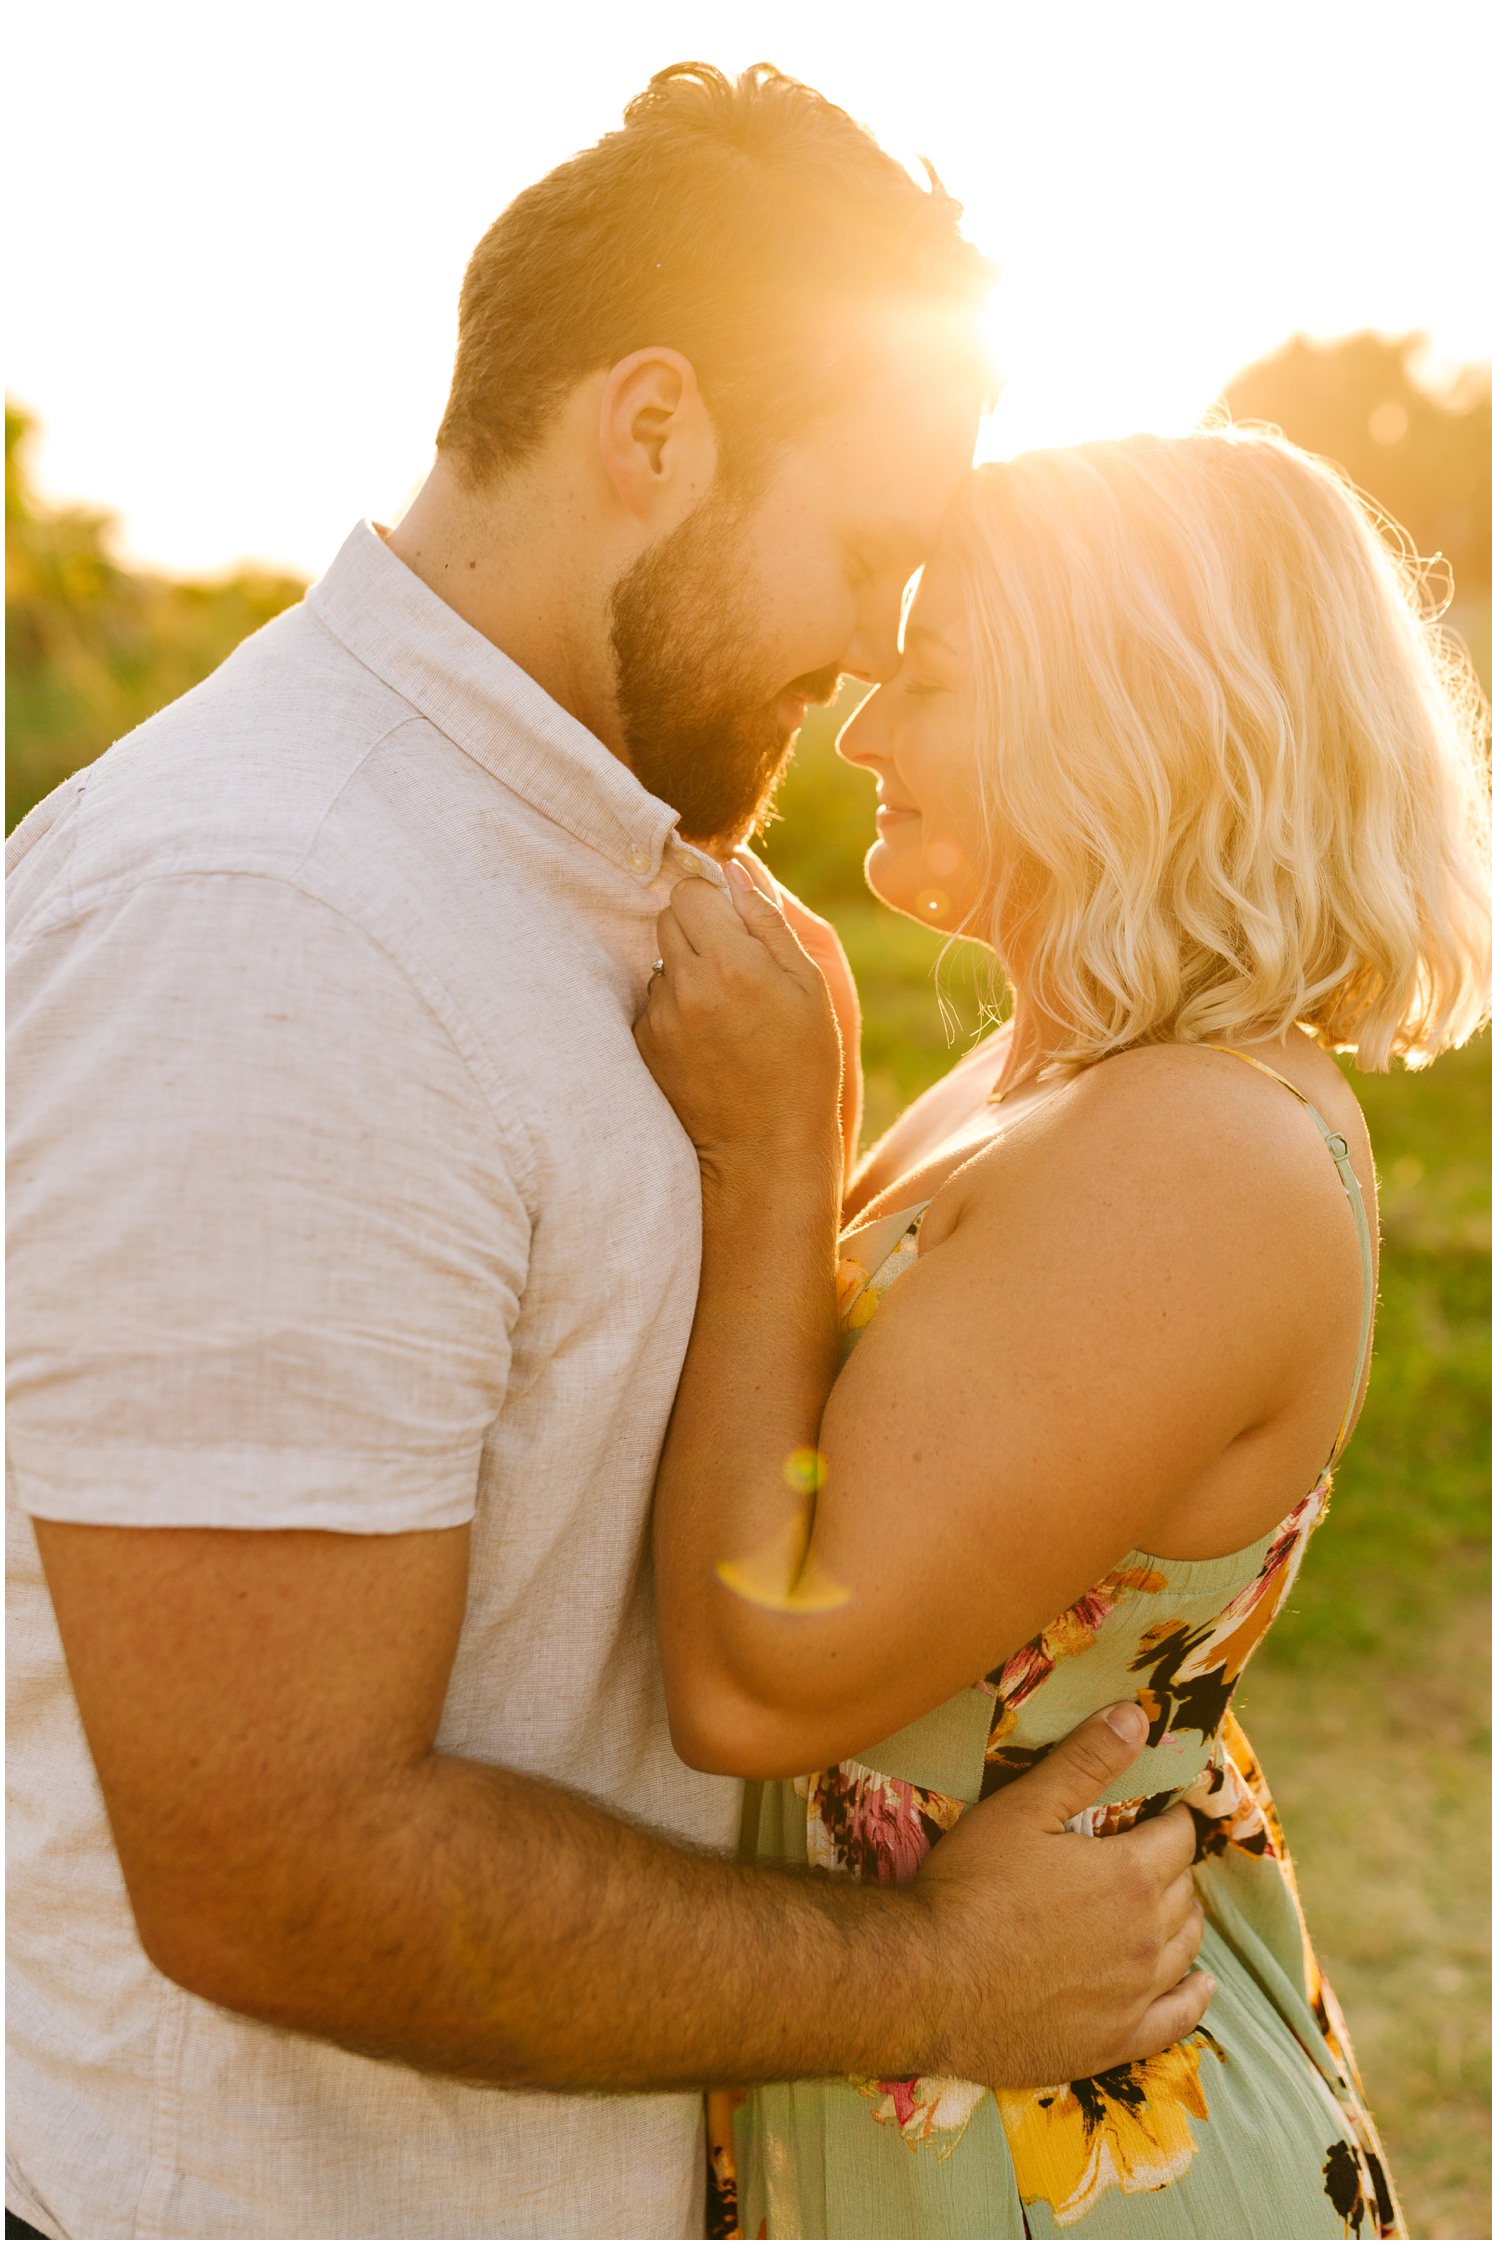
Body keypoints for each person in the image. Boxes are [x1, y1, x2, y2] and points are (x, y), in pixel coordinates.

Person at [5, 65, 1212, 2245]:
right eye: (866, 556)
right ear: (647, 431)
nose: (872, 652)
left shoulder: (595, 879)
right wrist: (941, 1979)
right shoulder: (271, 928)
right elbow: (280, 1871)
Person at [634, 428, 1492, 2239]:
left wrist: (783, 1151)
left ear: (1134, 715)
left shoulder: (1194, 1149)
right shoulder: (1060, 1068)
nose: (859, 731)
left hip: (1041, 2140)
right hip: (931, 2040)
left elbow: (756, 1679)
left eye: (929, 680)